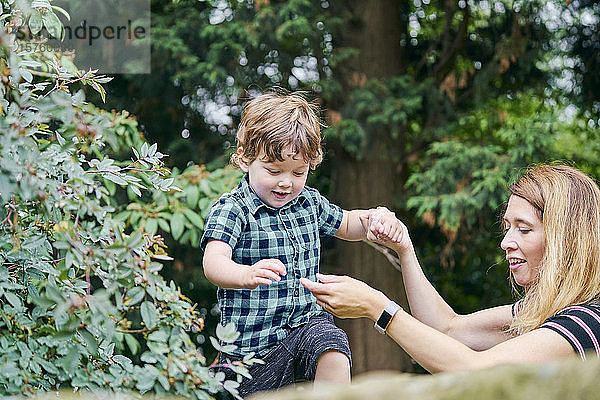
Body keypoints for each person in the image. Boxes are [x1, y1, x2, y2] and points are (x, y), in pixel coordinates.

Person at [301, 164, 600, 373]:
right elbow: (448, 329)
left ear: (566, 238)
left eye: (523, 229)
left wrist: (375, 305)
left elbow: (472, 370)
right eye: (507, 227)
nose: (505, 242)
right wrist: (405, 250)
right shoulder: (538, 314)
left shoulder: (587, 323)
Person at [201, 90, 394, 396]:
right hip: (250, 356)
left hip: (304, 329)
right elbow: (213, 262)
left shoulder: (308, 203)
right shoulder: (232, 208)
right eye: (273, 170)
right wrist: (245, 275)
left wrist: (373, 220)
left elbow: (347, 223)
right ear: (244, 160)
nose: (286, 182)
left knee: (332, 344)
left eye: (298, 172)